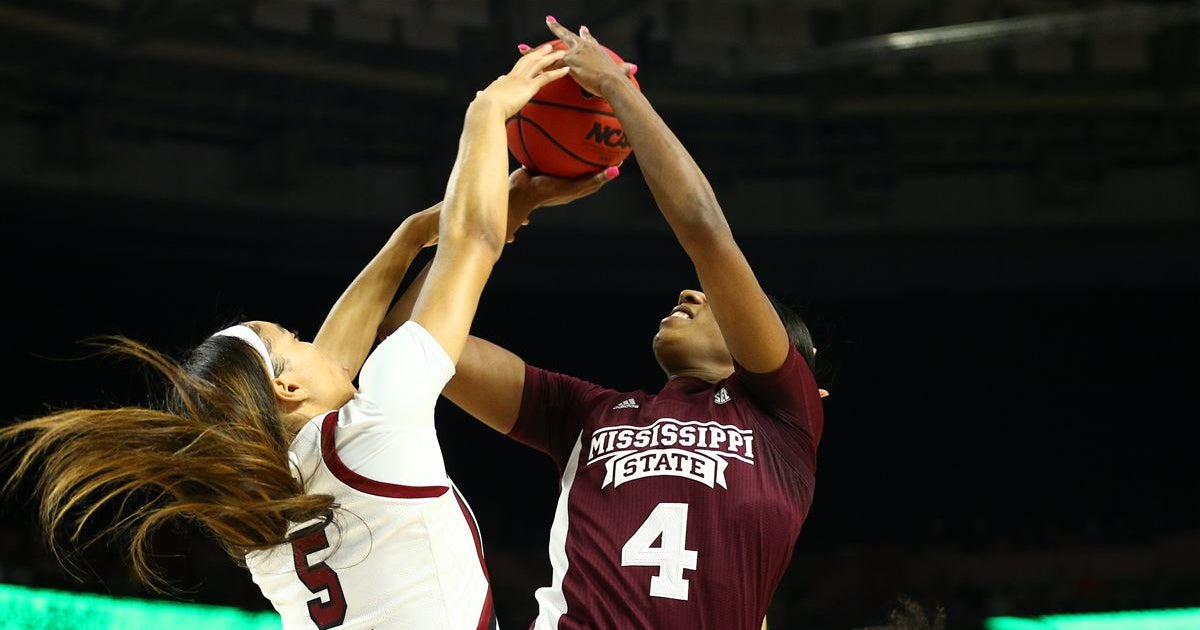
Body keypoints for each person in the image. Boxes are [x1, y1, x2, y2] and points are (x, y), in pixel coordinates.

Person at [0, 45, 596, 630]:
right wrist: (488, 114)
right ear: (284, 386)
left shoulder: (260, 517)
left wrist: (412, 236)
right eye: (294, 338)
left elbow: (336, 357)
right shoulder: (372, 430)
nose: (319, 343)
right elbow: (474, 242)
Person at [378, 18, 828, 630]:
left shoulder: (782, 418)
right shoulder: (590, 412)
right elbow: (415, 338)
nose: (693, 290)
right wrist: (516, 206)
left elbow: (703, 228)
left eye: (728, 301)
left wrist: (620, 91)